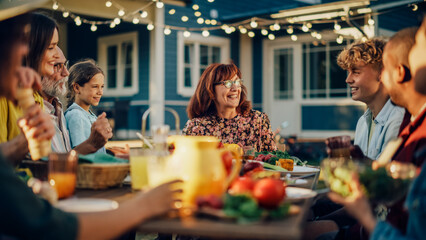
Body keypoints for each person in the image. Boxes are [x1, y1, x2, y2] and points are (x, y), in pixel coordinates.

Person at [0, 11, 182, 240]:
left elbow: (55, 159)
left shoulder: (41, 102)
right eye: (51, 48)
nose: (64, 72)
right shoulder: (27, 104)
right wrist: (143, 206)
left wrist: (93, 144)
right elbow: (48, 225)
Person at [183, 63, 276, 152]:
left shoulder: (258, 120)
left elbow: (273, 161)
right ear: (211, 91)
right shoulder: (196, 128)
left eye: (237, 82)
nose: (235, 88)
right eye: (227, 83)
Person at [336, 39, 405, 160]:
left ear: (382, 73)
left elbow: (386, 175)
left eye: (356, 72)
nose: (348, 80)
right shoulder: (362, 122)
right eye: (348, 72)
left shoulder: (398, 120)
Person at [65, 59, 106, 153]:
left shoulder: (87, 114)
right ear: (76, 87)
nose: (100, 92)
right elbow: (81, 153)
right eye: (95, 86)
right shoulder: (76, 116)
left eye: (102, 86)